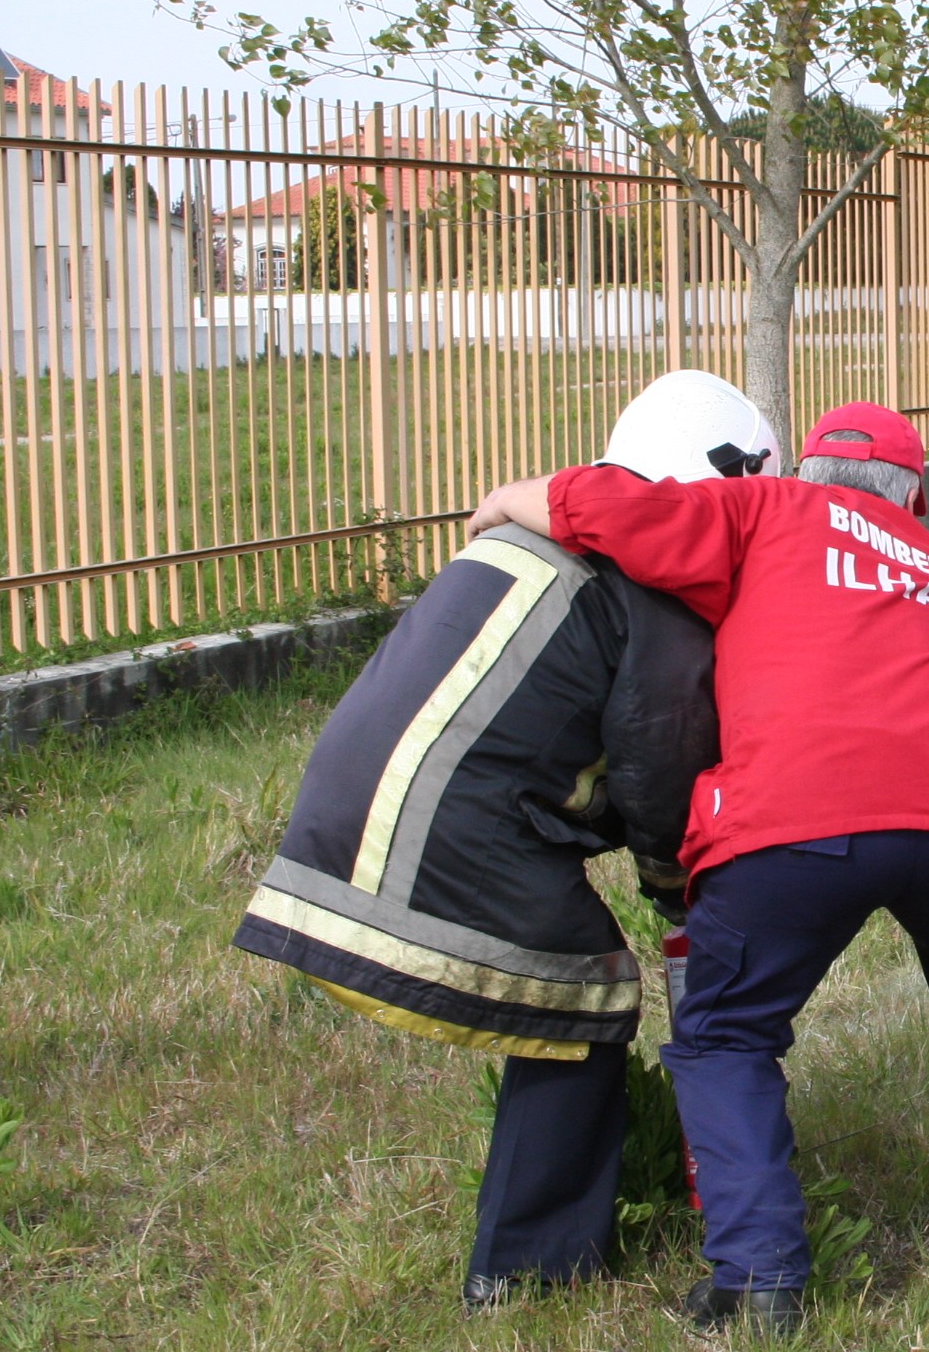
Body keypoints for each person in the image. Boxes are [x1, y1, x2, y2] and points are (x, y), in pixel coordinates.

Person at [467, 402, 929, 1336]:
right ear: (915, 493)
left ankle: (760, 1280)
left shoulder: (767, 507)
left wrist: (509, 499)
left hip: (797, 820)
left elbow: (633, 511)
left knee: (725, 1034)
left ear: (804, 471)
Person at [233, 370, 777, 1310]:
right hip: (438, 828)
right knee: (585, 998)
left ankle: (535, 1255)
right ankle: (529, 1276)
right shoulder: (648, 585)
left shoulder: (524, 537)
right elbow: (655, 766)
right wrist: (680, 892)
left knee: (562, 987)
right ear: (716, 479)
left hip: (337, 820)